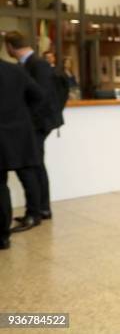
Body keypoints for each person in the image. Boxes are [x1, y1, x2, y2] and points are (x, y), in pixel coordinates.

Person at [4, 31, 63, 231]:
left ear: (9, 47)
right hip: (32, 125)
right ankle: (41, 209)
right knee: (35, 165)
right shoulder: (27, 65)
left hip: (38, 124)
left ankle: (38, 211)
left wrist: (28, 123)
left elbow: (42, 98)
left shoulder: (38, 64)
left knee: (33, 166)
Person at [0, 57, 44, 248]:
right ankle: (35, 213)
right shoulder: (15, 70)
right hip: (19, 133)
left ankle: (2, 235)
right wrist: (24, 116)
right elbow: (38, 95)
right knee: (28, 175)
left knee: (0, 186)